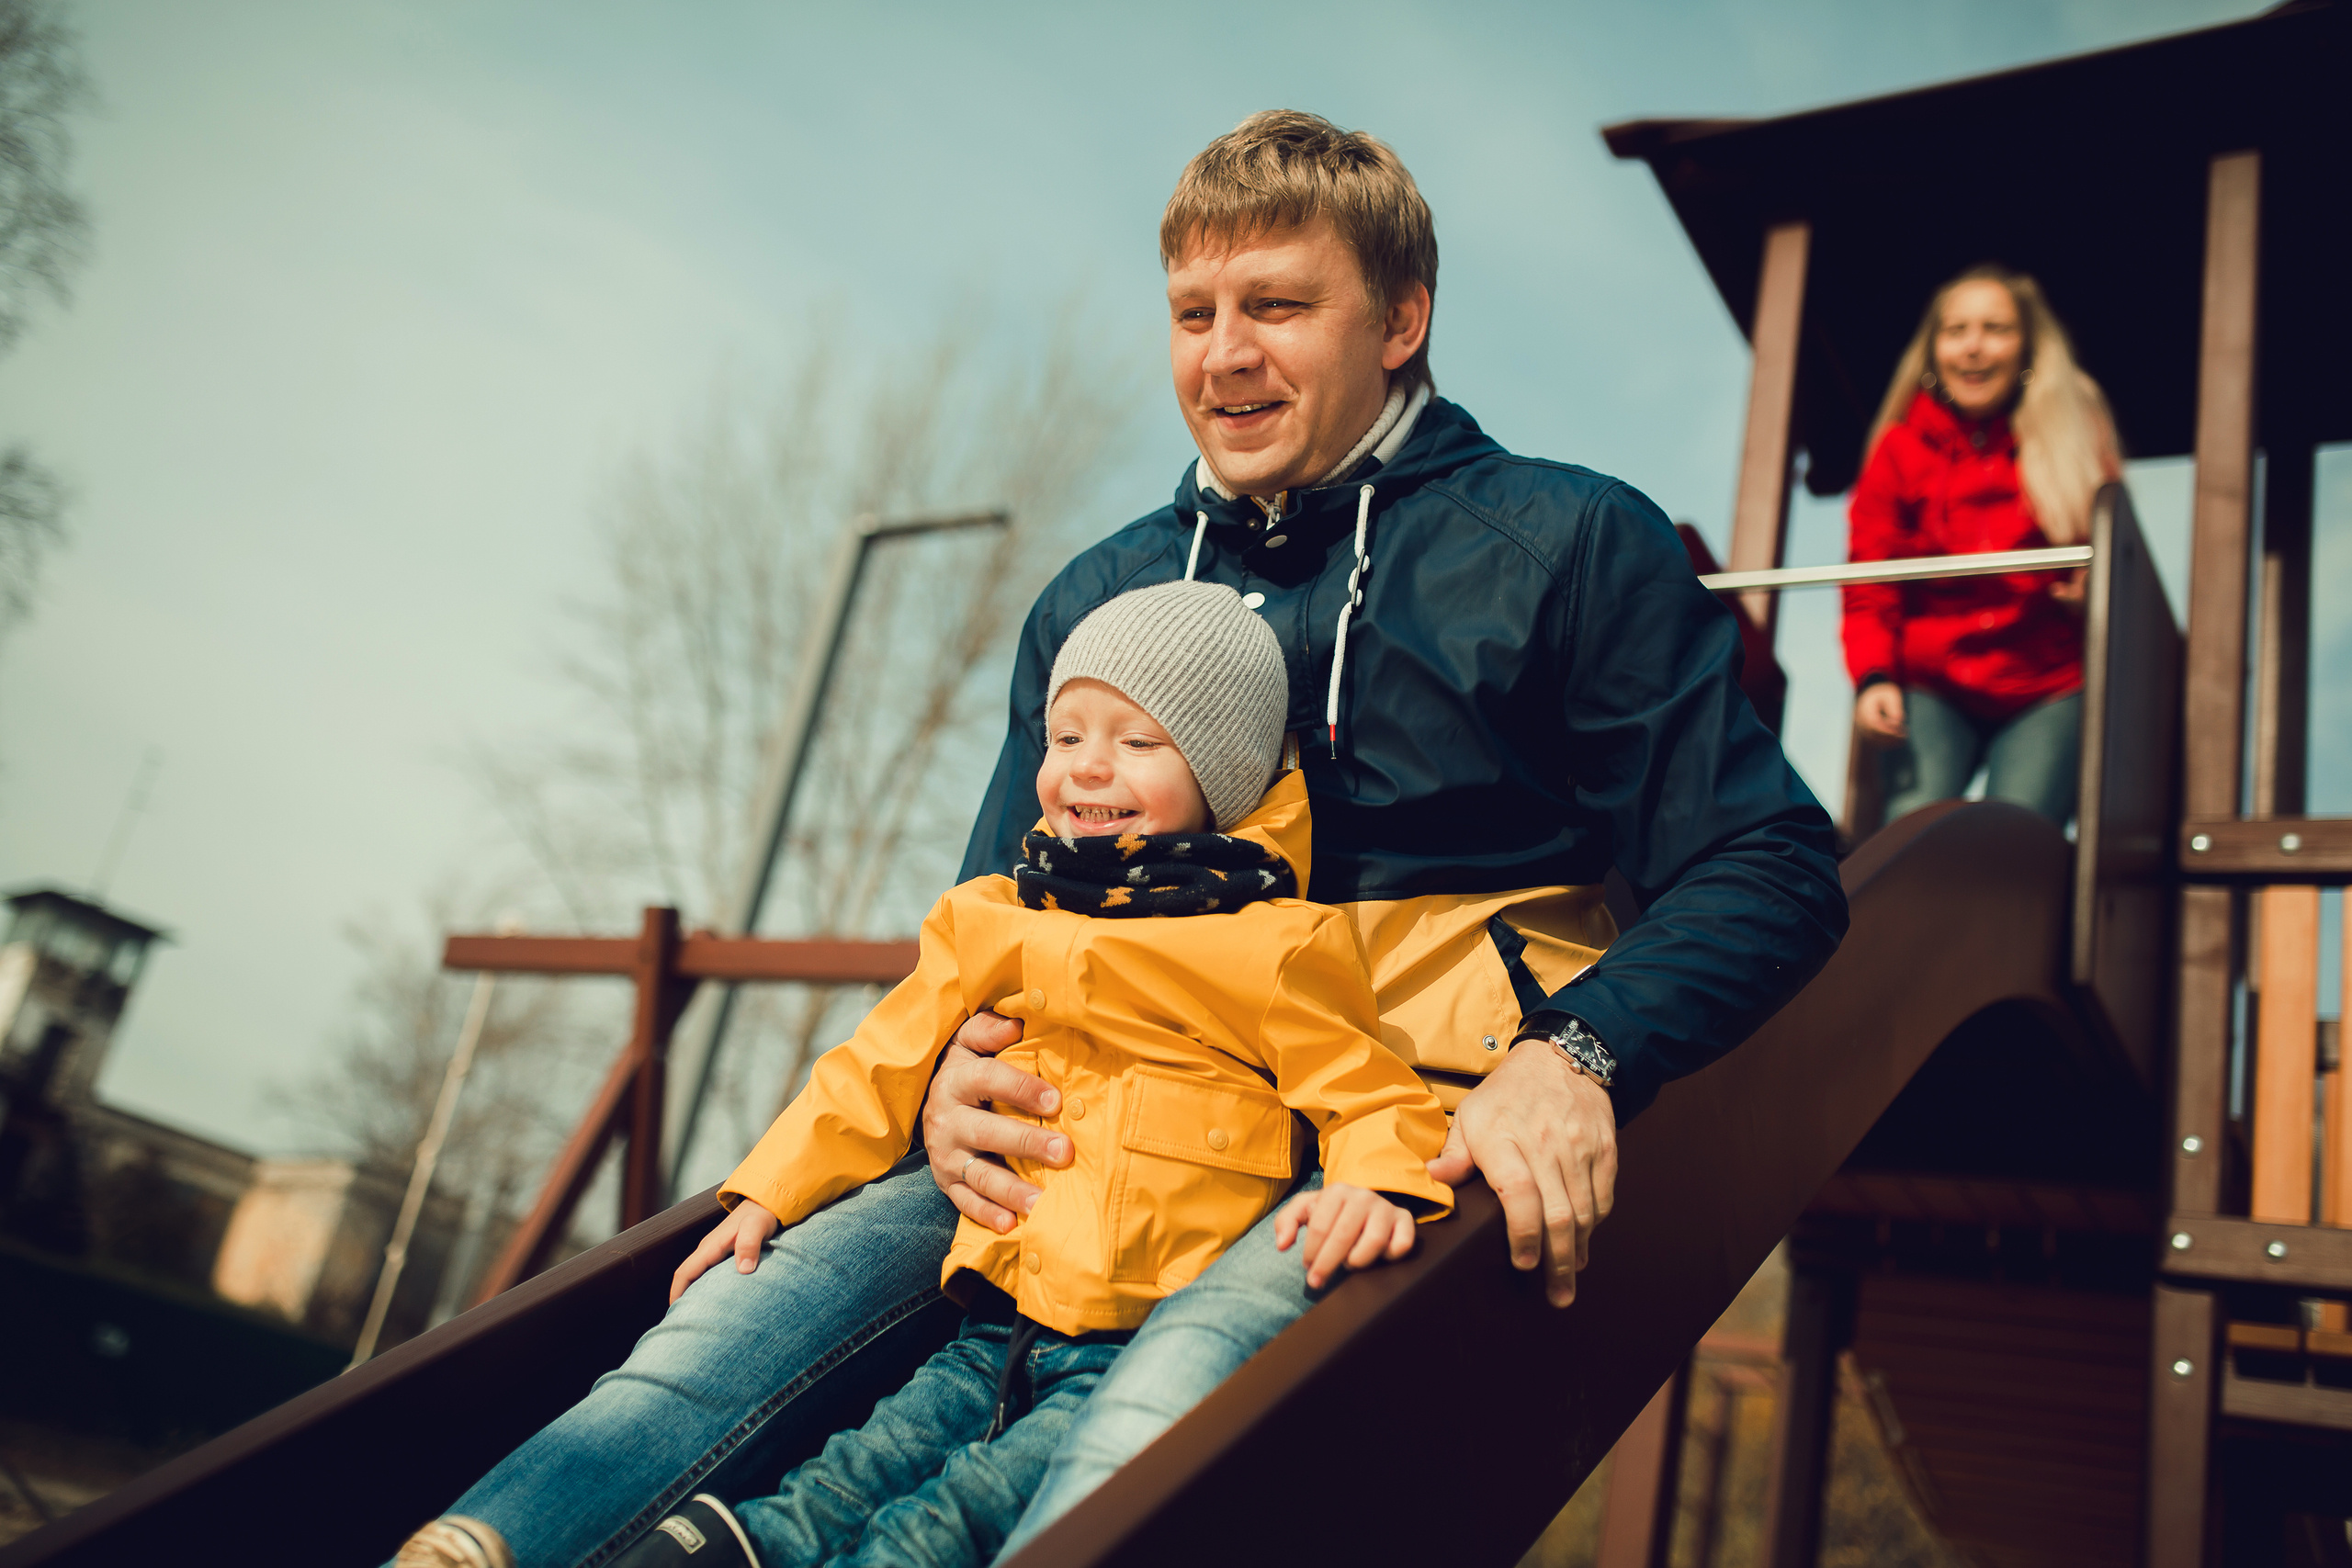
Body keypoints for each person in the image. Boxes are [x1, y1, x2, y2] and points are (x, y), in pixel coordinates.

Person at [396, 110, 1846, 1568]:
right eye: (1194, 313)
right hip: (1100, 1109)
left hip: (1371, 1144)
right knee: (742, 1311)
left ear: (1402, 320)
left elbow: (1772, 861)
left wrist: (1575, 1049)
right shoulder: (1110, 596)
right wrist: (947, 1076)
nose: (1225, 353)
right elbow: (994, 904)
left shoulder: (1568, 543)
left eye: (1278, 305)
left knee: (1141, 1431)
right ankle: (486, 1545)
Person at [583, 581, 1451, 1568]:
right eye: (1067, 734)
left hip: (1138, 1334)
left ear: (1224, 771)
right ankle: (735, 1548)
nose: (1089, 766)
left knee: (961, 1513)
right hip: (994, 1318)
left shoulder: (1276, 948)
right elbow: (877, 1064)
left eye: (1137, 742)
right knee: (872, 1458)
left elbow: (1369, 1091)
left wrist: (1375, 1183)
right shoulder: (995, 916)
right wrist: (768, 1190)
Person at [1845, 265, 2121, 826]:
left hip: (2046, 681)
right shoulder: (1899, 451)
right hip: (1935, 679)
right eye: (1955, 330)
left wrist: (2093, 592)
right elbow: (1871, 576)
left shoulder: (2074, 436)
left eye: (1995, 328)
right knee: (1913, 829)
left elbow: (2113, 555)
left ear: (2027, 347)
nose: (1973, 347)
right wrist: (1874, 676)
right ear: (1933, 350)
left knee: (2015, 833)